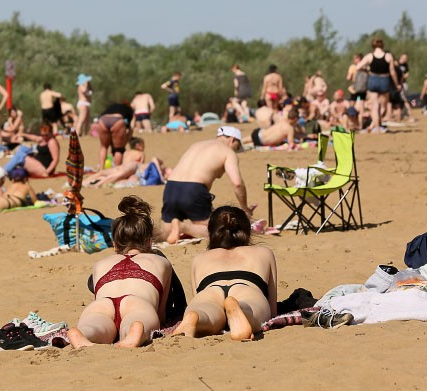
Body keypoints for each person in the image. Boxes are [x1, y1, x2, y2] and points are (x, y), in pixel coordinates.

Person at [67, 196, 173, 348]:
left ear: (115, 245)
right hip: (137, 303)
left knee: (96, 326)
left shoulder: (100, 264)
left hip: (102, 305)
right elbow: (161, 312)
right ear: (150, 242)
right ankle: (133, 332)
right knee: (136, 323)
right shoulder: (161, 262)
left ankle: (86, 334)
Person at [172, 206, 277, 340]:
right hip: (246, 286)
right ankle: (242, 310)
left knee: (206, 310)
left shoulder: (199, 259)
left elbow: (196, 294)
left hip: (211, 289)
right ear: (247, 231)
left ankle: (196, 318)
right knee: (251, 309)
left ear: (211, 234)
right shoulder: (263, 253)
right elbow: (272, 309)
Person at [161, 126, 252, 244]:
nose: (236, 150)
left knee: (167, 230)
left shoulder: (196, 145)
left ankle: (160, 230)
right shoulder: (227, 151)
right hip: (194, 189)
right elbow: (237, 183)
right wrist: (245, 209)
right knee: (215, 230)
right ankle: (183, 227)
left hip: (171, 187)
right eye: (238, 147)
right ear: (232, 140)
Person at [355, 38, 399, 133]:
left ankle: (377, 128)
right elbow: (392, 72)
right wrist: (397, 84)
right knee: (383, 106)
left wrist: (368, 68)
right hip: (384, 80)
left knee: (374, 107)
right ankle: (378, 123)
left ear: (373, 46)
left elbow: (358, 67)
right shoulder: (388, 56)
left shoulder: (369, 56)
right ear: (383, 45)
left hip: (373, 80)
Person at [97, 102, 134, 170]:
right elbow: (129, 128)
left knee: (103, 147)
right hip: (117, 120)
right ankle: (116, 170)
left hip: (103, 119)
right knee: (119, 149)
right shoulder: (129, 110)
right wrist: (126, 140)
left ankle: (101, 169)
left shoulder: (112, 106)